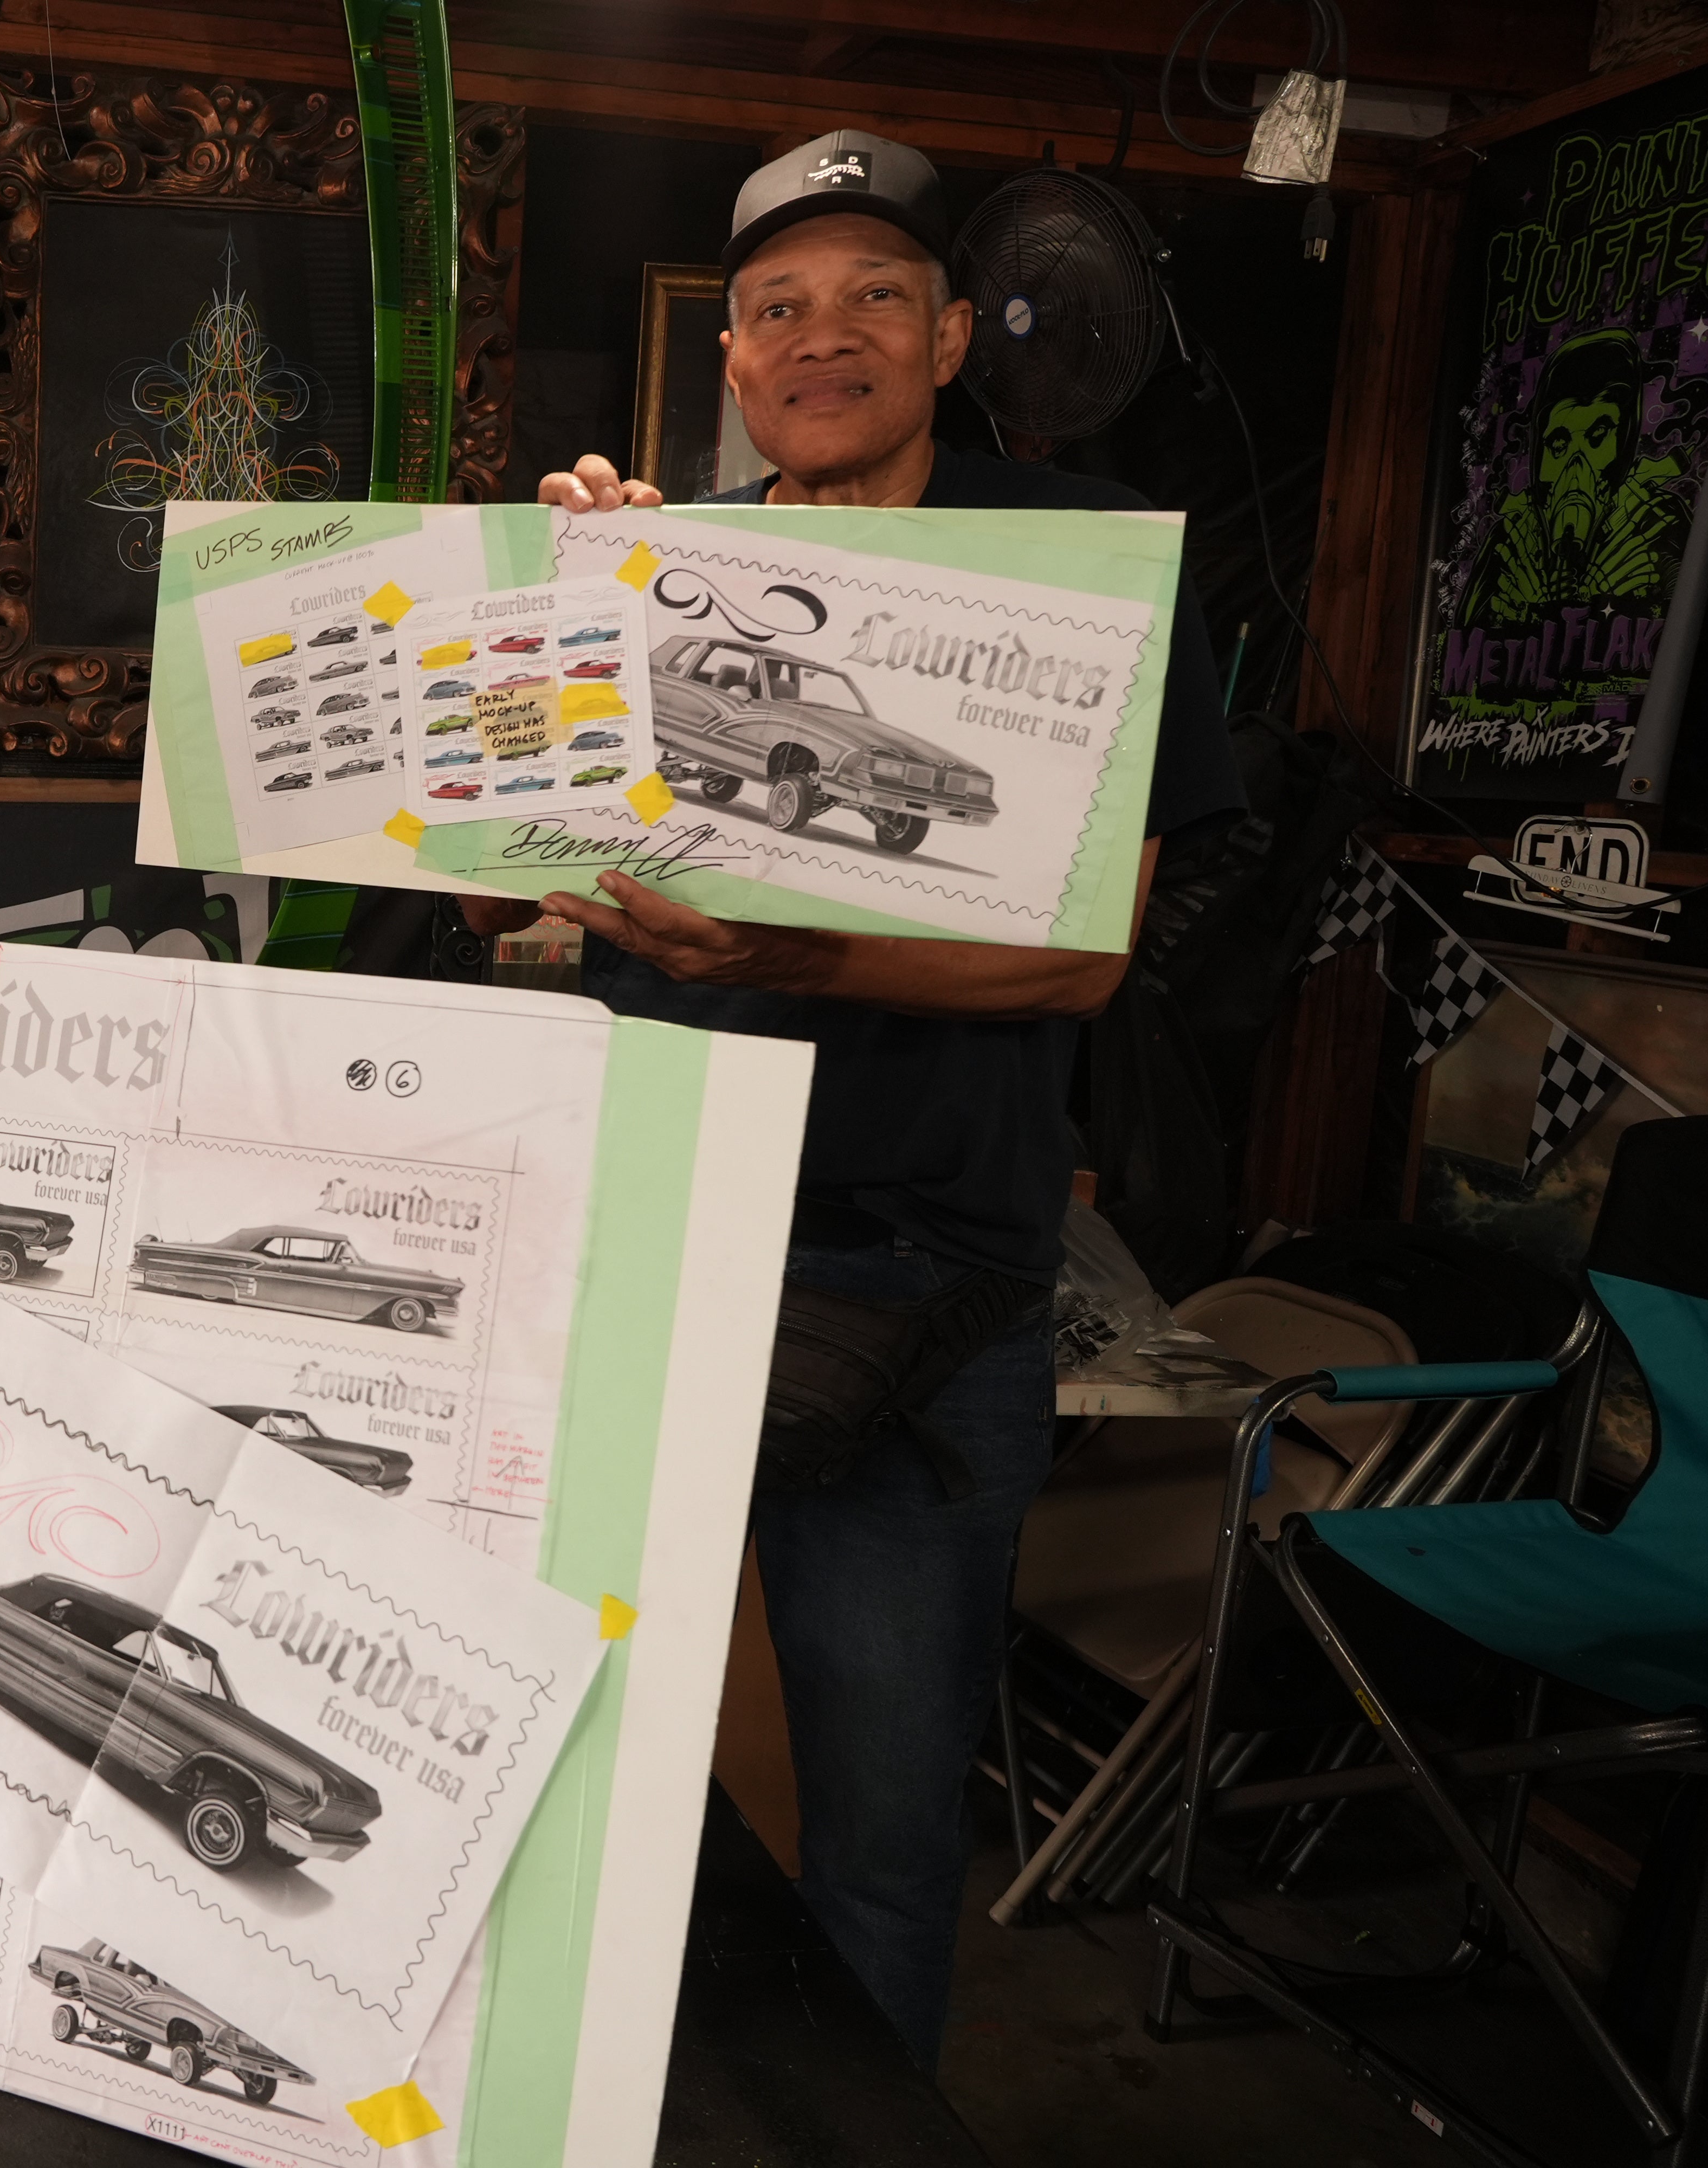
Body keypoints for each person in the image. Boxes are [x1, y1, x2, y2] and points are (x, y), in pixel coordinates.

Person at [468, 129, 1247, 2066]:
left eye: (877, 296)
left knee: (886, 1830)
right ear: (730, 362)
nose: (827, 338)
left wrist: (796, 958)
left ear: (959, 333)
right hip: (645, 1258)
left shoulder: (1073, 573)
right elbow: (493, 841)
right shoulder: (664, 570)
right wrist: (537, 603)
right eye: (780, 308)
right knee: (550, 1785)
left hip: (933, 1294)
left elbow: (1080, 960)